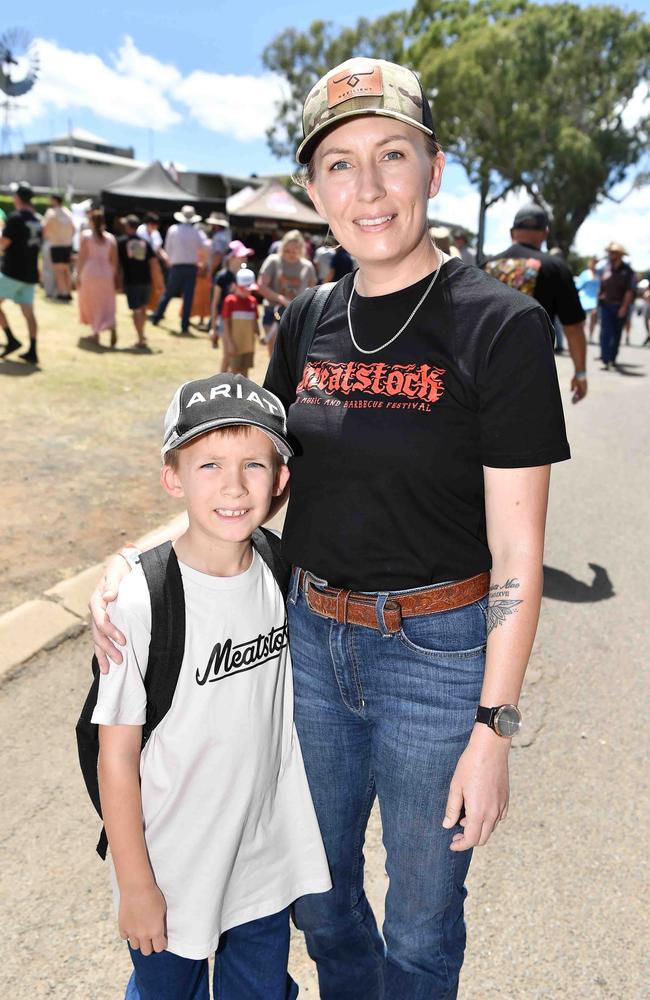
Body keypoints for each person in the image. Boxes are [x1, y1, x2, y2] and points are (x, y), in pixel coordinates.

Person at [91, 56, 574, 999]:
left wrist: (494, 730)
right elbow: (247, 480)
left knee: (425, 920)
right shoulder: (307, 315)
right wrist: (136, 561)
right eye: (340, 165)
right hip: (307, 644)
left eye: (392, 154)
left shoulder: (500, 327)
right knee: (318, 897)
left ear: (434, 169)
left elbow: (519, 552)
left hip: (438, 659)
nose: (369, 188)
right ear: (314, 189)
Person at [92, 372, 330, 999]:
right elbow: (115, 758)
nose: (233, 485)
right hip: (171, 869)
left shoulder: (281, 572)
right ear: (173, 477)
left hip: (262, 858)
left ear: (280, 481)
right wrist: (136, 882)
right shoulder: (142, 601)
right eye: (209, 464)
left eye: (254, 464)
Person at [484, 202, 587, 402]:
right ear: (545, 233)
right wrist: (580, 373)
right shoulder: (555, 268)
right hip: (531, 378)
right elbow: (573, 328)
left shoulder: (485, 266)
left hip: (481, 375)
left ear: (512, 232)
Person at [0, 181, 42, 364]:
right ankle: (32, 350)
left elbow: (4, 243)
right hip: (30, 273)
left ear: (18, 197)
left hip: (12, 272)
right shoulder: (37, 219)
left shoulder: (15, 217)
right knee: (28, 312)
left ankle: (11, 339)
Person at [257, 230, 316, 356]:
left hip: (297, 314)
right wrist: (280, 298)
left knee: (293, 354)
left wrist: (304, 298)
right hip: (273, 312)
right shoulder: (273, 261)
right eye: (287, 251)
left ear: (301, 250)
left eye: (294, 251)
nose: (290, 254)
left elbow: (314, 290)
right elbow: (261, 286)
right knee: (274, 353)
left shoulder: (307, 266)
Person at [151, 205, 204, 335]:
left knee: (169, 292)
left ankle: (157, 316)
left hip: (177, 266)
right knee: (188, 296)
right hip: (191, 267)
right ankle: (184, 325)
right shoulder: (196, 232)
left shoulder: (173, 230)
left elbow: (168, 248)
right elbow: (203, 247)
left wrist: (170, 260)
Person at [209, 239, 254, 364]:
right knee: (228, 355)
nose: (244, 259)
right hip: (225, 319)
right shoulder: (222, 277)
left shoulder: (244, 276)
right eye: (241, 256)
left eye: (245, 256)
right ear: (231, 257)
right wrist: (213, 327)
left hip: (241, 320)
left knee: (239, 356)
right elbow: (215, 302)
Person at [77, 208, 118, 346]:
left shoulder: (86, 236)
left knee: (93, 302)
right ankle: (110, 324)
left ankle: (96, 333)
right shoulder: (111, 238)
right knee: (106, 303)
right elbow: (114, 261)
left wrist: (77, 274)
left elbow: (81, 257)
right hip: (106, 273)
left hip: (90, 272)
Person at [117, 215, 155, 350]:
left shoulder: (121, 243)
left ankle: (140, 338)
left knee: (137, 311)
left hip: (132, 281)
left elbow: (117, 264)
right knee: (143, 309)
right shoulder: (145, 242)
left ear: (127, 226)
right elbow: (153, 262)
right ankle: (142, 334)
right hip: (146, 280)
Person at [598, 241, 635, 370]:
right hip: (606, 306)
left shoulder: (627, 271)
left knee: (616, 333)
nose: (610, 254)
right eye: (609, 252)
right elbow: (602, 285)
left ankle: (612, 358)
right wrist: (601, 295)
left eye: (613, 253)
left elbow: (629, 291)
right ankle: (605, 359)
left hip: (619, 306)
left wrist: (624, 307)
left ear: (619, 254)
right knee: (605, 333)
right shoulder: (606, 268)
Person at [221, 267, 260, 377]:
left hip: (248, 343)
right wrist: (229, 342)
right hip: (235, 343)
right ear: (238, 287)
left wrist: (259, 334)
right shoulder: (230, 301)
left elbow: (255, 321)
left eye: (250, 289)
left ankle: (244, 392)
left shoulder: (252, 301)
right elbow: (226, 323)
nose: (249, 292)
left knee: (245, 370)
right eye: (246, 289)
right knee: (234, 371)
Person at [42, 193, 75, 301]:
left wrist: (49, 237)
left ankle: (62, 293)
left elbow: (45, 228)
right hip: (67, 245)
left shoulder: (51, 213)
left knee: (58, 270)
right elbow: (73, 230)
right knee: (66, 269)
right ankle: (69, 292)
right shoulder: (68, 213)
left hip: (56, 244)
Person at [575, 256, 600, 343]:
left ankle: (590, 335)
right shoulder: (585, 274)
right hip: (585, 297)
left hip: (595, 298)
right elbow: (578, 286)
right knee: (583, 318)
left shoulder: (600, 274)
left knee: (594, 315)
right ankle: (583, 335)